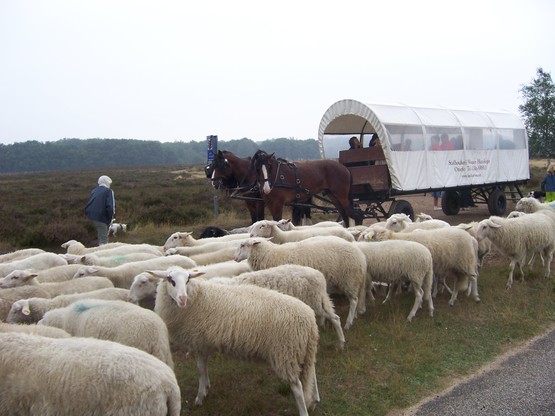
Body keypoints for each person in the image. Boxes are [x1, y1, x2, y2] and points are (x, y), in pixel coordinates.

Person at [85, 175, 115, 246]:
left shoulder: (94, 190)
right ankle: (102, 254)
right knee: (103, 240)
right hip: (101, 217)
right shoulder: (108, 191)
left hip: (91, 216)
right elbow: (110, 207)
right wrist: (110, 218)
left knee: (100, 235)